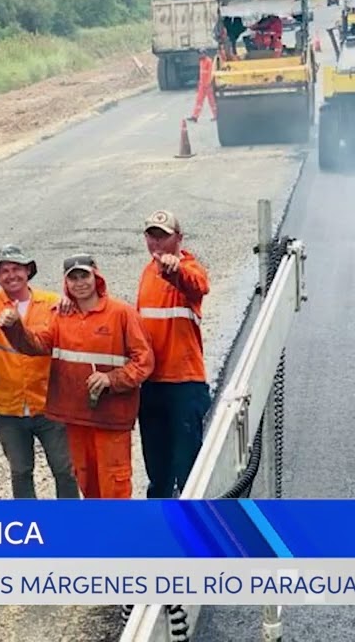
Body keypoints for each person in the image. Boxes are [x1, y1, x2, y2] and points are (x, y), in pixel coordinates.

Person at [0, 254, 154, 499]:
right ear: (66, 282)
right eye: (73, 278)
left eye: (85, 276)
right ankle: (93, 534)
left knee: (114, 482)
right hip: (75, 418)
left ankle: (120, 534)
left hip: (110, 419)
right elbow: (36, 345)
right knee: (86, 480)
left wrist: (112, 379)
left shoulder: (121, 313)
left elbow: (143, 361)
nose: (80, 283)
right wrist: (15, 327)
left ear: (96, 277)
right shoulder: (60, 316)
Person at [0, 245, 79, 499]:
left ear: (28, 271)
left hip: (49, 405)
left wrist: (70, 301)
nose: (11, 275)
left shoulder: (52, 302)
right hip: (8, 408)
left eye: (16, 269)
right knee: (20, 472)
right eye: (4, 271)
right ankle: (29, 527)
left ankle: (71, 523)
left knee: (64, 469)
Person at [135, 210, 212, 498]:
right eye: (151, 236)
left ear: (178, 238)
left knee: (188, 470)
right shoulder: (147, 272)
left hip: (184, 385)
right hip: (151, 384)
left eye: (163, 236)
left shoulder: (188, 267)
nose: (157, 243)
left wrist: (175, 269)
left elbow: (199, 285)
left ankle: (194, 534)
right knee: (158, 470)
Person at [188, 49, 217, 123]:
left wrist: (208, 83)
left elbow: (210, 73)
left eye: (201, 54)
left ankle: (216, 115)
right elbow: (201, 73)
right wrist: (200, 83)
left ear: (205, 54)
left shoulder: (209, 61)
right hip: (202, 85)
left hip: (208, 85)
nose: (200, 55)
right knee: (199, 101)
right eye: (199, 54)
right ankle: (195, 116)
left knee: (212, 101)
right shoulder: (201, 61)